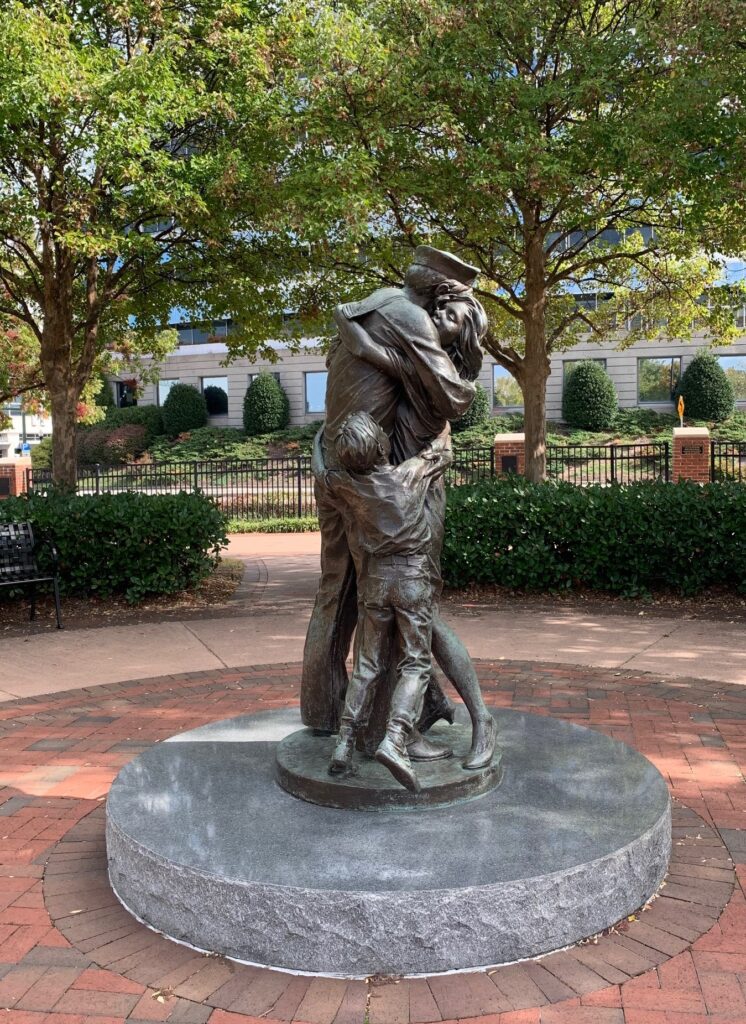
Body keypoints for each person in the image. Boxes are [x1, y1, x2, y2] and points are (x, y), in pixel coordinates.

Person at [300, 246, 496, 772]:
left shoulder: (378, 307)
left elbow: (445, 401)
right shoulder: (410, 321)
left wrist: (365, 349)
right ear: (437, 291)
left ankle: (355, 718)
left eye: (452, 322)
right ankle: (399, 726)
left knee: (365, 602)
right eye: (444, 310)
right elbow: (448, 394)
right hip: (385, 486)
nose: (441, 322)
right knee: (400, 616)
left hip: (382, 479)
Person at [312, 412, 451, 793]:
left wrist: (320, 439)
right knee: (416, 663)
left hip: (374, 584)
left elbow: (321, 471)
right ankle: (396, 737)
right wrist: (441, 428)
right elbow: (442, 454)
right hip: (411, 581)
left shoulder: (347, 486)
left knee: (367, 665)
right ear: (381, 445)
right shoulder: (409, 474)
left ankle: (344, 743)